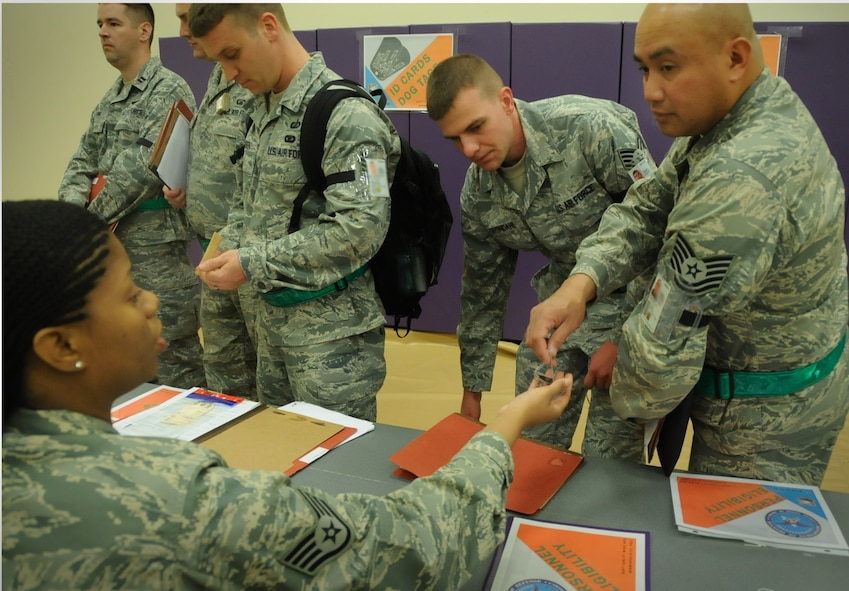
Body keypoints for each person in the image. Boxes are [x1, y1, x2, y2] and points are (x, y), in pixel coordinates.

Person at [1, 199, 573, 590]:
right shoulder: (171, 498)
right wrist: (506, 426)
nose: (152, 302)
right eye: (129, 296)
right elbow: (418, 545)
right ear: (58, 345)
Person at [526, 3, 849, 485]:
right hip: (748, 371)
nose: (651, 91)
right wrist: (581, 282)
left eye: (669, 67)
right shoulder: (731, 113)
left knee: (736, 548)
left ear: (736, 57)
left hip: (763, 420)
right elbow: (647, 208)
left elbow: (659, 354)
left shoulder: (738, 180)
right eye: (646, 69)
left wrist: (614, 369)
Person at [426, 54, 655, 455]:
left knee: (612, 461)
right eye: (455, 138)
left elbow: (656, 231)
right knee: (530, 446)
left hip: (635, 304)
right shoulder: (479, 192)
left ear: (506, 101)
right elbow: (483, 292)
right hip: (560, 311)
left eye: (476, 127)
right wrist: (472, 394)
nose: (469, 149)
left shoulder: (590, 129)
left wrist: (626, 342)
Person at [187, 4, 401, 421]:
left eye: (232, 54)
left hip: (333, 347)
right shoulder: (260, 108)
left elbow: (363, 227)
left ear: (269, 27)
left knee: (335, 468)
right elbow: (246, 204)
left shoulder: (350, 116)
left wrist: (251, 262)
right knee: (282, 461)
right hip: (271, 332)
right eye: (219, 61)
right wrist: (227, 246)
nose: (228, 74)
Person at [58, 3, 204, 390]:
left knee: (176, 379)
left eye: (113, 23)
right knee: (128, 380)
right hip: (112, 265)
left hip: (158, 268)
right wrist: (73, 222)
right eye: (100, 25)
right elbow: (79, 165)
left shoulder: (168, 89)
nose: (103, 32)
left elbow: (138, 170)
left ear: (144, 31)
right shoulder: (109, 100)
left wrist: (85, 226)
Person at [162, 4, 259, 399]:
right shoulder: (219, 75)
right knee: (224, 375)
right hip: (213, 255)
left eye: (190, 18)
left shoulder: (255, 78)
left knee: (265, 378)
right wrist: (190, 188)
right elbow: (222, 160)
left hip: (250, 259)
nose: (186, 30)